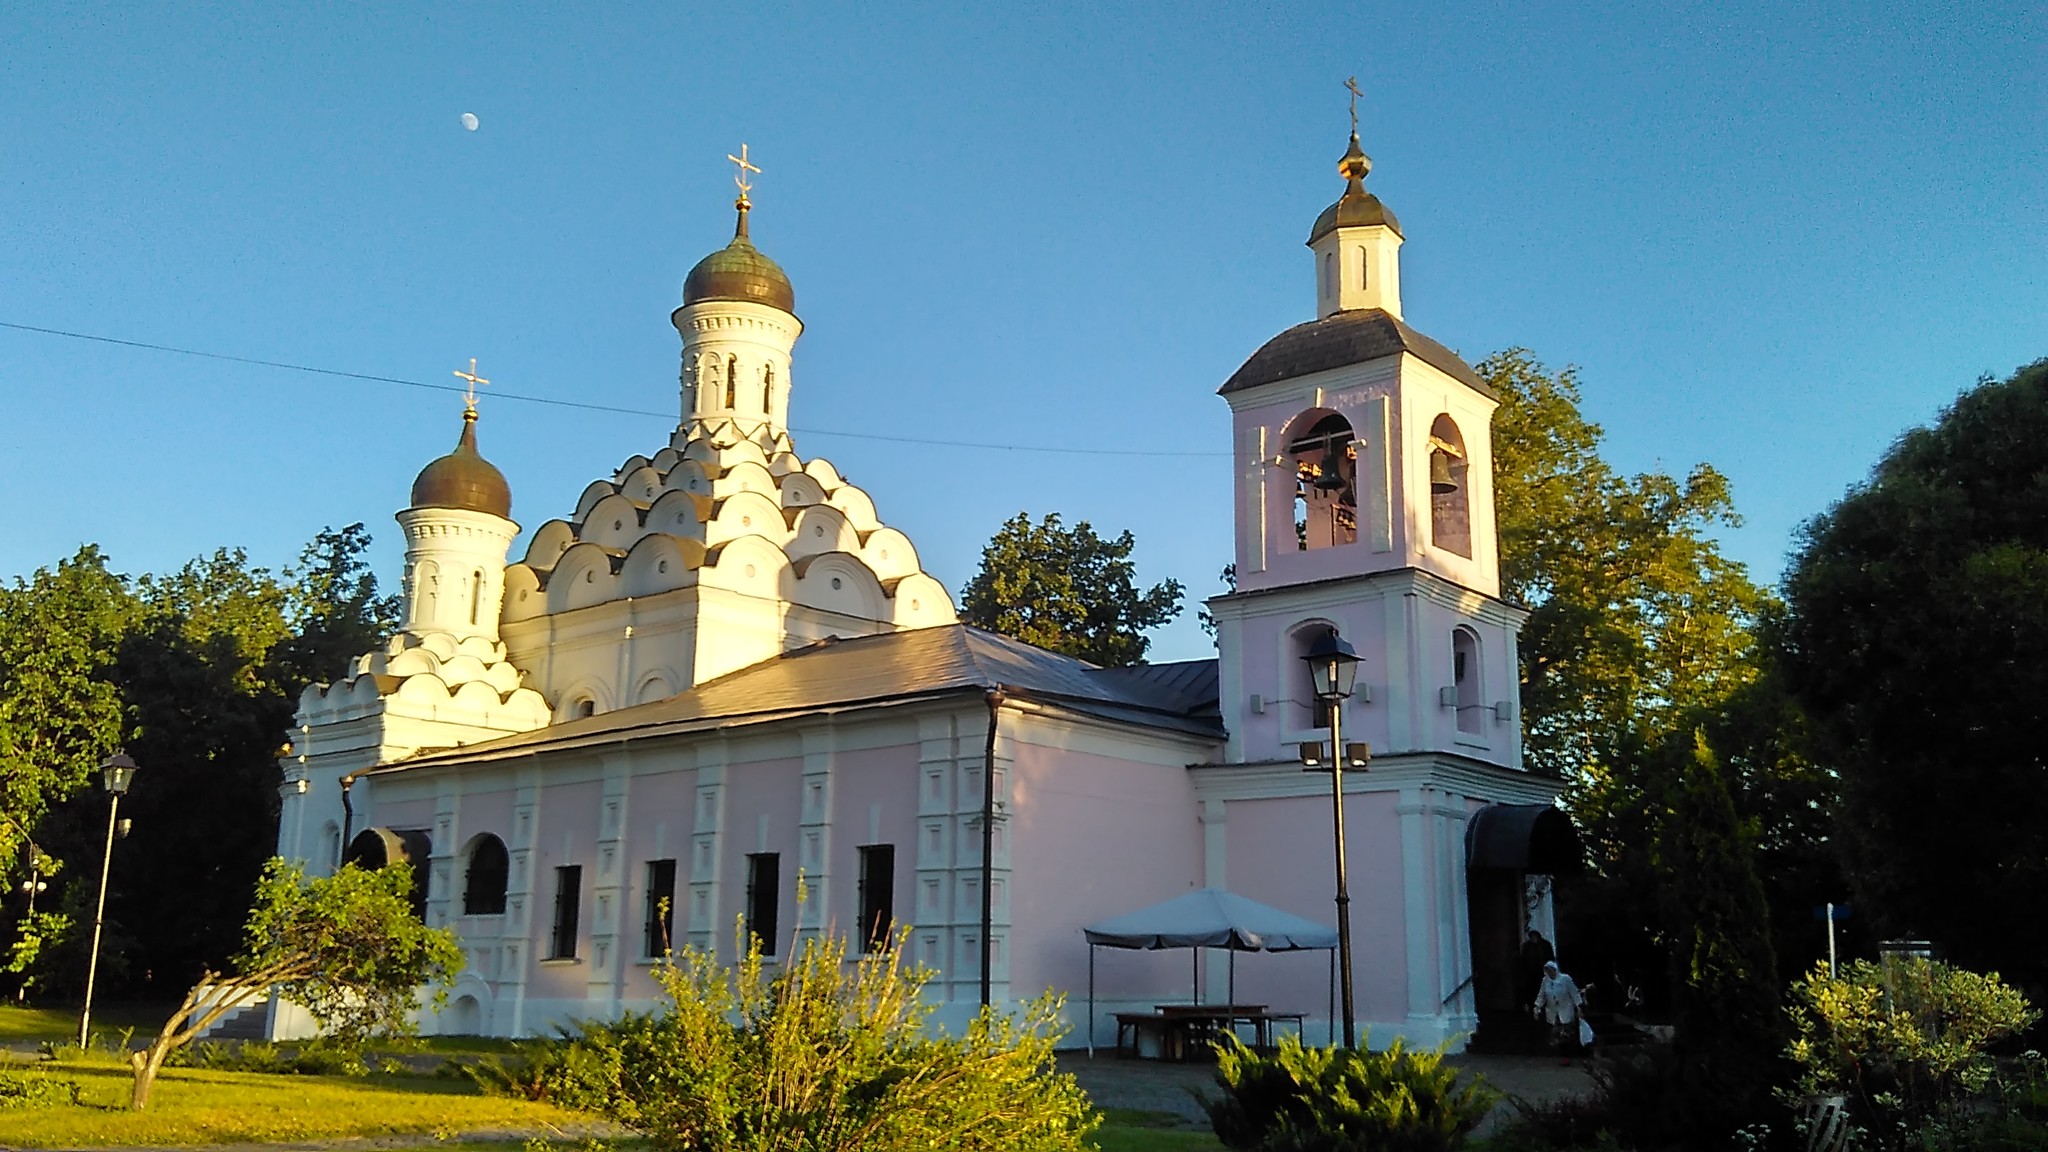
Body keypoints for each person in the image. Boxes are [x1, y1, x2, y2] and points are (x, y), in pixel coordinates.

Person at [1532, 960, 1585, 1062]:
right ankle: (1562, 1054)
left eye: (1551, 970)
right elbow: (1541, 995)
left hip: (1565, 1009)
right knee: (1557, 1033)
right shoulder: (1545, 981)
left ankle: (1567, 1056)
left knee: (1567, 1034)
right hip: (1553, 1011)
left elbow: (1574, 993)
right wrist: (1537, 1008)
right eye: (1547, 970)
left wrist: (1579, 1007)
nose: (1550, 972)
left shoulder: (1565, 979)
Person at [1517, 929, 1555, 1013]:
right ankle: (1533, 1007)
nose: (1533, 939)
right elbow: (1523, 960)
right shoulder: (1527, 946)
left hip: (1543, 972)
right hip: (1531, 973)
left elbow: (1550, 958)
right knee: (1532, 991)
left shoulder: (1545, 945)